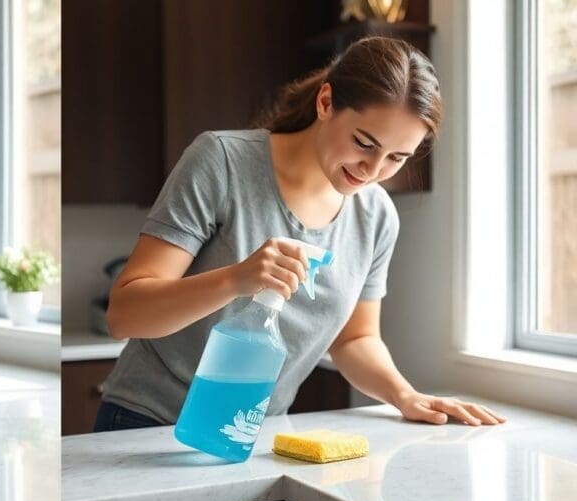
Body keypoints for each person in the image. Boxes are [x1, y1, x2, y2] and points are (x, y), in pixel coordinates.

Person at [95, 37, 506, 432]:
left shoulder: (377, 215)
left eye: (396, 158)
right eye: (364, 143)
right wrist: (236, 279)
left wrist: (404, 395)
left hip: (250, 433)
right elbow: (125, 314)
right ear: (325, 102)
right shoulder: (221, 162)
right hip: (146, 422)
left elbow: (356, 339)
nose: (372, 170)